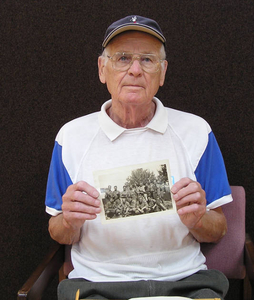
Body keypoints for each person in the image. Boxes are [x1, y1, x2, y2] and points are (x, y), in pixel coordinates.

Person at [46, 15, 233, 300]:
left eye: (147, 60)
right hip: (98, 284)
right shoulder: (70, 137)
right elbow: (59, 231)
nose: (135, 70)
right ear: (102, 69)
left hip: (184, 280)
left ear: (162, 72)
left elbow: (218, 229)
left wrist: (197, 219)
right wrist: (70, 222)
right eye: (122, 58)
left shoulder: (197, 132)